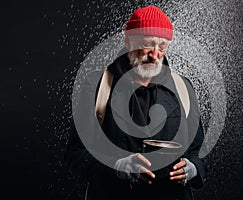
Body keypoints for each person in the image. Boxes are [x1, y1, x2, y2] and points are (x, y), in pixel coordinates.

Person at [64, 5, 207, 200]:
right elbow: (74, 154)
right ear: (128, 40)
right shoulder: (98, 85)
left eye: (162, 46)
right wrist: (117, 168)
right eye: (148, 44)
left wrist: (194, 168)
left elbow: (199, 152)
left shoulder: (184, 87)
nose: (155, 54)